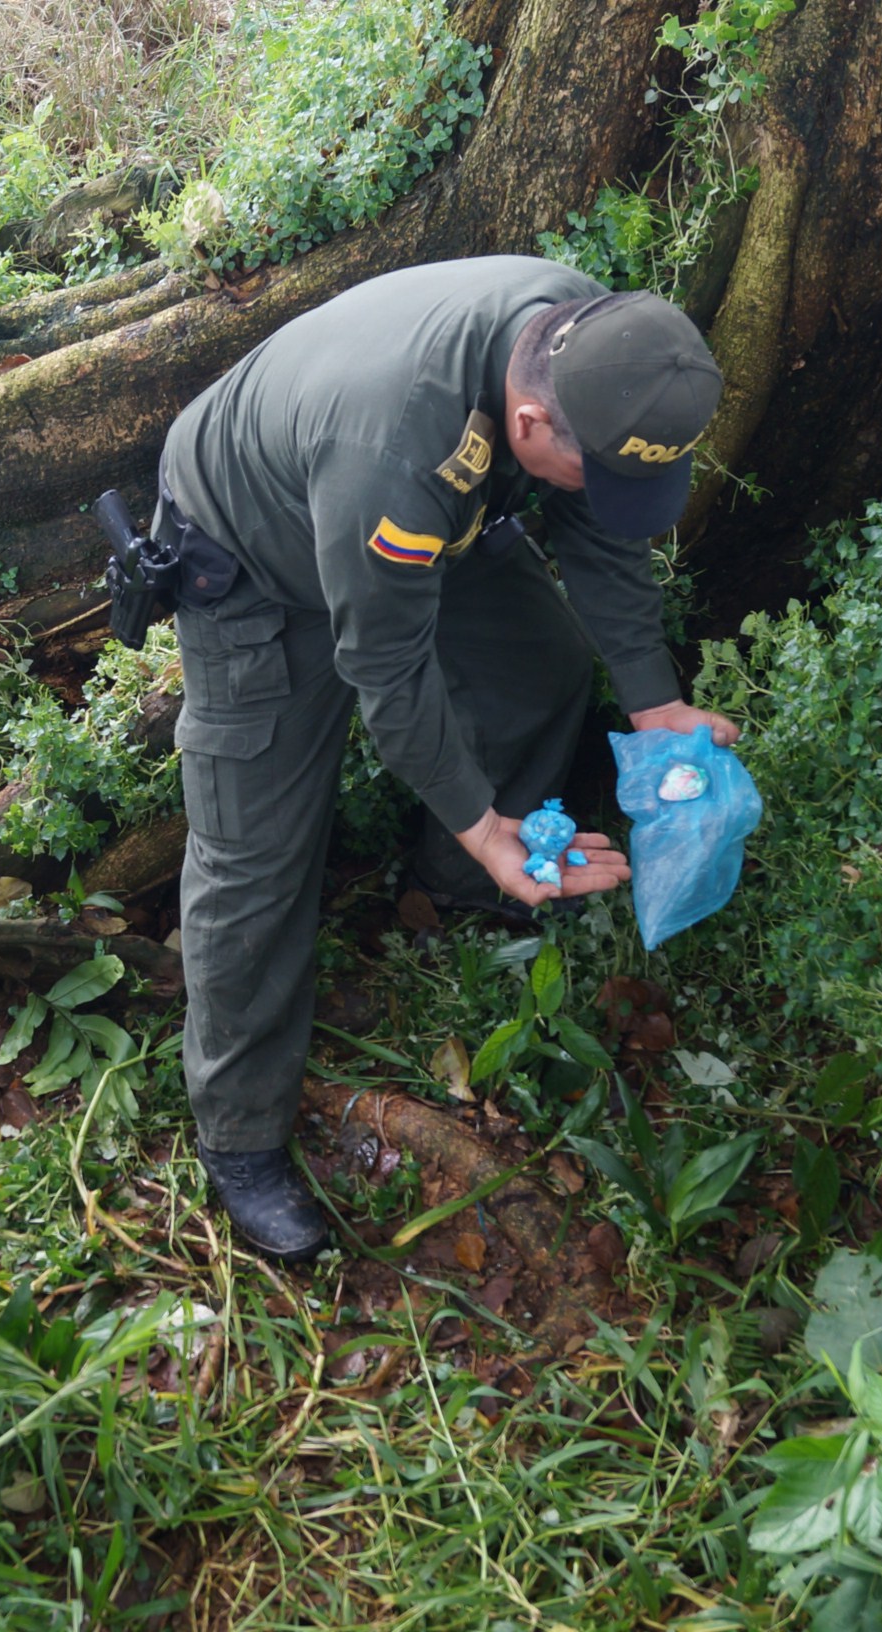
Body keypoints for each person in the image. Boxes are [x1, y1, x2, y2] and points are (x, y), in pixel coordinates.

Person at [155, 256, 739, 1262]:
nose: (613, 492)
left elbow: (600, 533)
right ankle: (238, 1137)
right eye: (602, 471)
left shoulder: (595, 352)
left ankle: (452, 889)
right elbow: (386, 666)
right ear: (528, 426)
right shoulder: (394, 449)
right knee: (255, 852)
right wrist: (481, 822)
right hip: (256, 555)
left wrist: (654, 702)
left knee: (542, 667)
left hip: (432, 515)